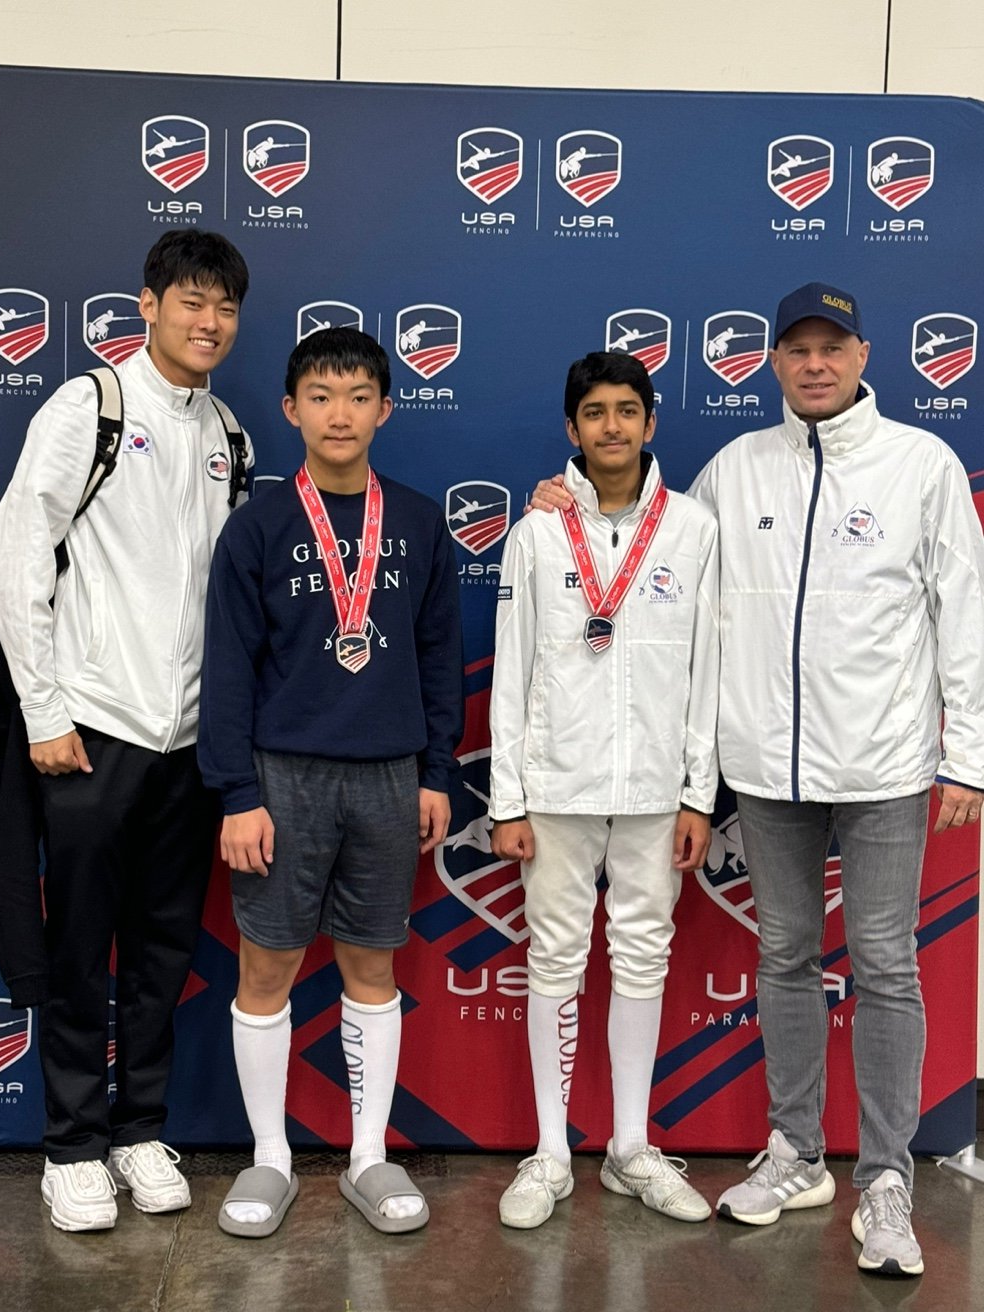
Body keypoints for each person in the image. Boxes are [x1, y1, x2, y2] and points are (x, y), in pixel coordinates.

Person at [688, 282, 984, 1277]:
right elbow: (665, 568)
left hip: (889, 764)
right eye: (797, 348)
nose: (814, 363)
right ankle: (795, 1152)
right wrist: (564, 496)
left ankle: (888, 1178)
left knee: (888, 963)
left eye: (833, 346)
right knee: (783, 953)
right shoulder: (734, 470)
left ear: (863, 355)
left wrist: (969, 757)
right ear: (774, 361)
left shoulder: (921, 465)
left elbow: (967, 615)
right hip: (767, 770)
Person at [0, 230, 253, 1233]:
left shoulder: (227, 429)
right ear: (146, 304)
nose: (208, 320)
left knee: (161, 949)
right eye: (189, 300)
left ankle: (140, 1130)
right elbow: (19, 553)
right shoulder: (89, 406)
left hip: (189, 742)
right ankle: (71, 1144)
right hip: (92, 731)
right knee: (80, 948)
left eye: (224, 306)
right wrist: (45, 711)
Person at [198, 326, 464, 1239]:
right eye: (321, 395)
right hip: (282, 777)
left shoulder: (421, 522)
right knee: (265, 966)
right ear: (291, 410)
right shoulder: (260, 525)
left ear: (386, 409)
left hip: (390, 777)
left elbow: (438, 658)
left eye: (358, 396)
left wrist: (435, 773)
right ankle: (270, 1157)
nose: (339, 413)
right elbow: (228, 668)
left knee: (372, 966)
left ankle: (366, 1156)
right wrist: (235, 792)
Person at [490, 352, 719, 1231]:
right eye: (595, 412)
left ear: (652, 423)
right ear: (572, 428)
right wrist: (507, 798)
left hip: (658, 788)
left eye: (628, 410)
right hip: (556, 784)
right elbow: (513, 671)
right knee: (553, 956)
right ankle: (550, 1151)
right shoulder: (539, 532)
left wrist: (699, 793)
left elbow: (708, 671)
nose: (613, 426)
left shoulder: (694, 529)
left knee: (643, 955)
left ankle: (629, 1145)